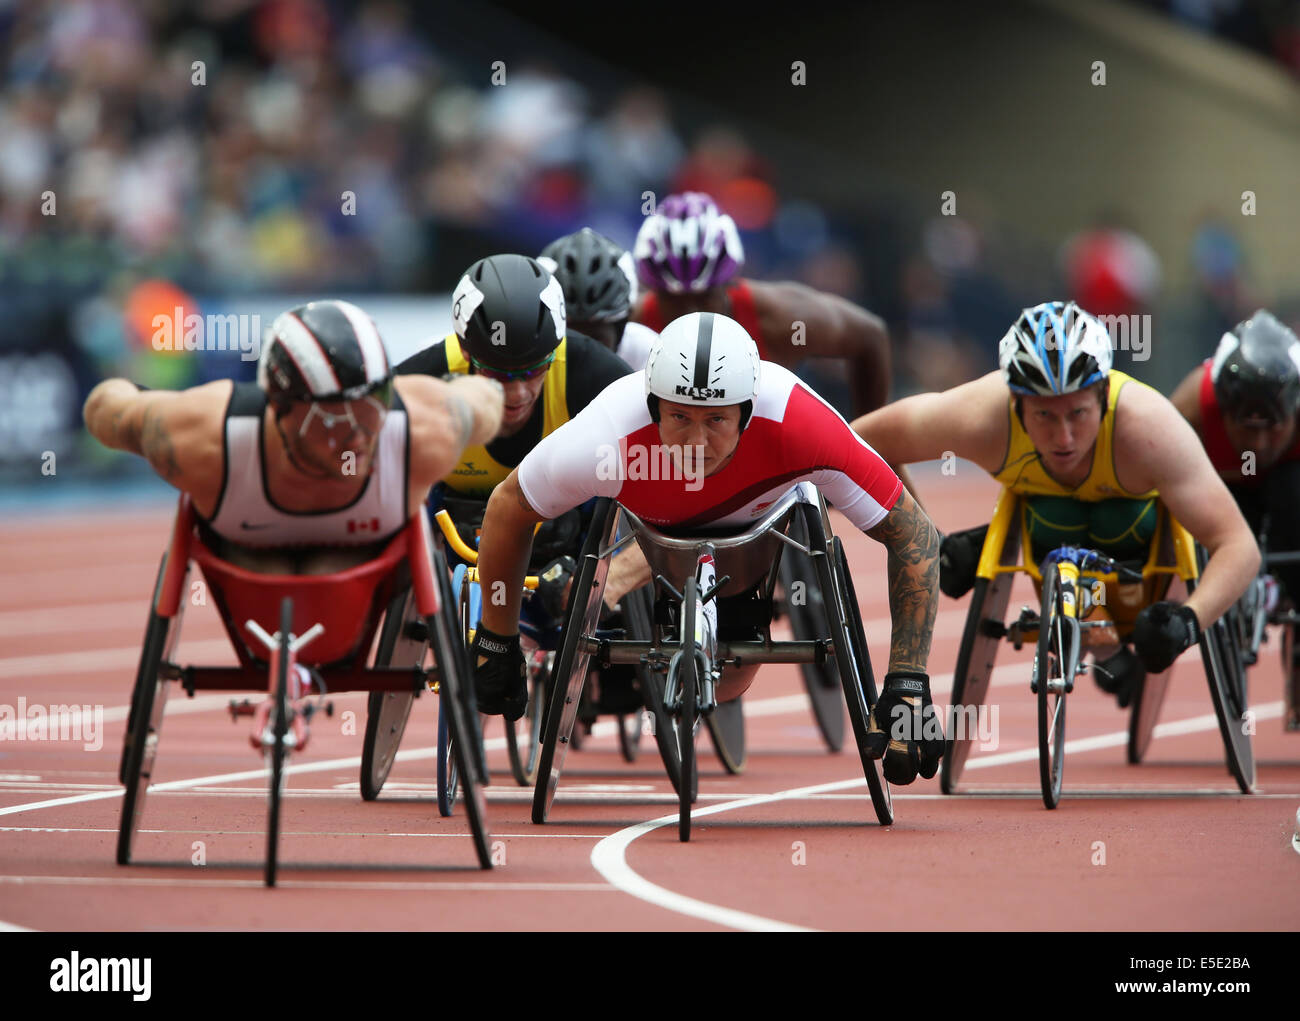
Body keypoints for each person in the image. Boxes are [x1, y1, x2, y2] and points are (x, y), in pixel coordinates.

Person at [469, 311, 945, 786]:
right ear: (654, 407)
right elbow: (509, 507)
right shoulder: (608, 433)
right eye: (679, 417)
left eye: (717, 419)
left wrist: (907, 681)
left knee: (736, 677)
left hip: (759, 542)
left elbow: (914, 535)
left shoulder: (798, 422)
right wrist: (497, 638)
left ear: (748, 413)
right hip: (657, 542)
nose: (696, 442)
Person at [852, 300, 1260, 708]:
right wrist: (926, 534)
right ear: (1016, 404)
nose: (1064, 437)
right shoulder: (980, 416)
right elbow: (853, 443)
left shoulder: (1150, 429)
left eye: (1078, 413)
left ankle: (1101, 634)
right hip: (1042, 526)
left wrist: (1188, 622)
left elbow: (1238, 546)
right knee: (1053, 514)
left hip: (1136, 541)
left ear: (1103, 395)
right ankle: (1089, 631)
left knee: (1112, 518)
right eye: (1045, 415)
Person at [395, 253, 642, 713]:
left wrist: (613, 580)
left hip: (570, 543)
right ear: (466, 353)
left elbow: (669, 487)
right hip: (458, 534)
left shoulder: (594, 374)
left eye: (533, 370)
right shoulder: (424, 378)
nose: (518, 393)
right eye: (499, 374)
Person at [83, 298, 504, 566]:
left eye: (372, 407)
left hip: (370, 569)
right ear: (279, 409)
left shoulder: (427, 428)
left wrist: (450, 389)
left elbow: (486, 397)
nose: (359, 435)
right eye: (333, 418)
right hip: (249, 567)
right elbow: (106, 408)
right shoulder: (207, 436)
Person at [632, 191, 892, 417]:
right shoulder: (629, 325)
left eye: (704, 297)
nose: (691, 312)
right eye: (674, 301)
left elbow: (870, 336)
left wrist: (873, 436)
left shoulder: (782, 317)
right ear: (650, 288)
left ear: (729, 283)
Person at [1170, 309, 1300, 726]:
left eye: (1272, 428)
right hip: (1227, 482)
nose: (1260, 442)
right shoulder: (1193, 402)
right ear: (1223, 409)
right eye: (1248, 428)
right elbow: (1150, 465)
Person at [538, 227, 659, 369]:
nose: (582, 353)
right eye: (569, 338)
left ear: (621, 327)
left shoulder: (649, 354)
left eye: (596, 341)